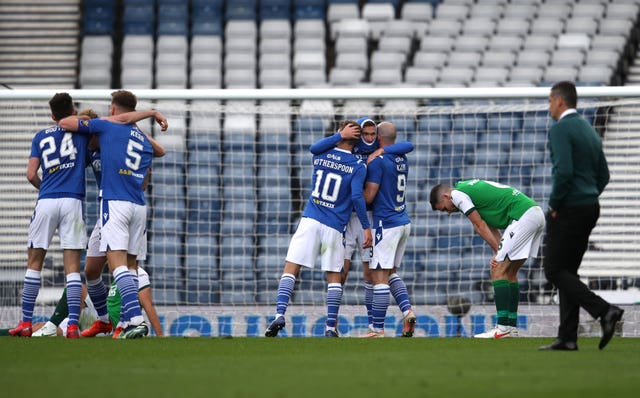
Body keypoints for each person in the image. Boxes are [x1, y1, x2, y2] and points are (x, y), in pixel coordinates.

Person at [59, 90, 166, 339]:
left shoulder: (108, 128)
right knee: (97, 269)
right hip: (135, 206)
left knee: (119, 263)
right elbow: (159, 152)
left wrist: (126, 120)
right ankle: (108, 321)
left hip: (115, 203)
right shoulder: (129, 137)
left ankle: (132, 321)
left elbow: (65, 122)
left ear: (115, 110)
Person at [309, 117, 417, 336]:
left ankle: (373, 325)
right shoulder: (352, 146)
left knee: (372, 274)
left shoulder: (380, 150)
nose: (368, 138)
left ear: (377, 136)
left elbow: (408, 145)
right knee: (342, 270)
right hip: (348, 219)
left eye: (371, 134)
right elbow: (316, 148)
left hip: (371, 219)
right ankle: (333, 323)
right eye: (365, 134)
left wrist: (382, 152)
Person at [265, 120, 372, 338]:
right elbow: (356, 197)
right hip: (334, 225)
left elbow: (314, 147)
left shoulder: (321, 154)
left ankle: (279, 314)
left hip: (311, 219)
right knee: (334, 276)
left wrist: (338, 135)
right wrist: (366, 227)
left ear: (339, 133)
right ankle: (331, 327)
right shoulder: (357, 165)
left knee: (291, 268)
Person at [539, 81, 624, 351]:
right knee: (568, 271)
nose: (549, 105)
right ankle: (568, 337)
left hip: (569, 208)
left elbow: (563, 171)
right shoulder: (588, 128)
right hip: (589, 206)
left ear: (560, 101)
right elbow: (604, 175)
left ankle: (605, 311)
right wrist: (588, 194)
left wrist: (554, 204)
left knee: (553, 270)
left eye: (551, 100)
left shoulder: (561, 129)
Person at [9, 93, 90, 338]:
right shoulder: (82, 132)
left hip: (46, 200)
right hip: (72, 201)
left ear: (52, 115)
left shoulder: (40, 136)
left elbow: (31, 174)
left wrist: (46, 187)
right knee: (73, 268)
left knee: (34, 263)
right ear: (73, 110)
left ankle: (25, 322)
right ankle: (73, 325)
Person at [429, 179, 545, 338]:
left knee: (498, 270)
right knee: (509, 273)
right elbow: (490, 227)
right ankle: (510, 327)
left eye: (444, 209)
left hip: (523, 215)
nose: (448, 213)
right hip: (534, 213)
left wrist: (498, 255)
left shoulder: (456, 194)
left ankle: (502, 328)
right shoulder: (473, 196)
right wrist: (498, 251)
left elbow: (479, 226)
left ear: (445, 196)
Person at [362, 121, 412, 338]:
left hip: (386, 224)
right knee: (391, 273)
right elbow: (407, 145)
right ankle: (407, 310)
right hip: (403, 222)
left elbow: (370, 196)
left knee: (379, 275)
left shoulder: (378, 162)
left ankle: (377, 329)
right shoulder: (402, 157)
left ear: (379, 139)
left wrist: (353, 198)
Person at [27, 266, 163, 338]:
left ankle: (67, 329)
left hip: (113, 328)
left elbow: (148, 305)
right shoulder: (118, 273)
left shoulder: (139, 274)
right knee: (39, 326)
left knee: (78, 288)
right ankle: (11, 332)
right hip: (99, 319)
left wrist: (160, 337)